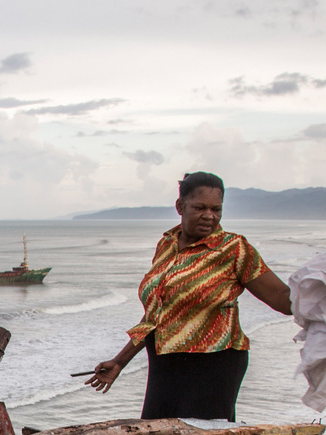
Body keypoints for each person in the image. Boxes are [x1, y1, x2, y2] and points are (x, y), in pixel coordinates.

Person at [85, 171, 292, 420]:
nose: (210, 216)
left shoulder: (234, 249)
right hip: (165, 363)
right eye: (200, 207)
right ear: (180, 206)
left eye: (216, 209)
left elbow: (282, 299)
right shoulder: (166, 245)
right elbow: (155, 315)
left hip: (214, 364)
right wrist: (119, 361)